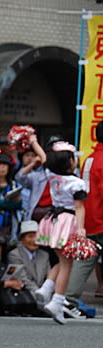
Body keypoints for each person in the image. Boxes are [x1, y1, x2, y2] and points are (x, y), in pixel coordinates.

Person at [32, 140, 87, 324]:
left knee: (60, 259)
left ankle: (47, 288)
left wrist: (33, 142)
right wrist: (81, 229)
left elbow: (44, 158)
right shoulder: (76, 183)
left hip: (53, 220)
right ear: (69, 162)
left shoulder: (52, 175)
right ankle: (57, 301)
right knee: (67, 264)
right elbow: (79, 208)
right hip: (68, 221)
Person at [65, 121, 103, 307]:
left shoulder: (90, 158)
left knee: (85, 260)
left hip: (89, 217)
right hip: (101, 217)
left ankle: (69, 298)